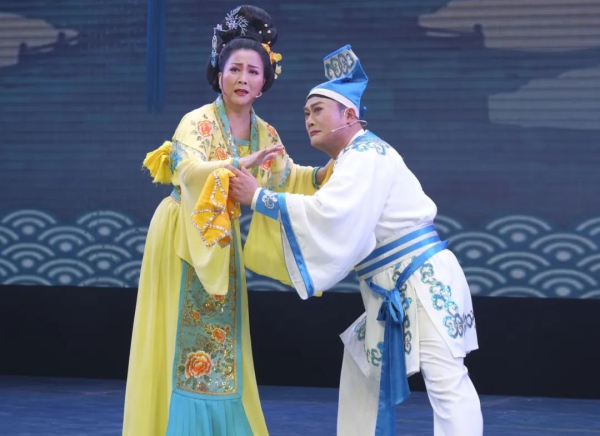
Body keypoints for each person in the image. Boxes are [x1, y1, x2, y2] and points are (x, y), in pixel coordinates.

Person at [228, 45, 483, 436]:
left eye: (317, 110)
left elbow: (330, 212)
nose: (309, 119)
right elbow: (318, 190)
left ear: (349, 115)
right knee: (362, 371)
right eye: (305, 113)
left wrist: (259, 197)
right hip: (390, 288)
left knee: (446, 380)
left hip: (421, 281)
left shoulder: (367, 154)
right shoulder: (348, 161)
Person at [122, 6, 328, 436]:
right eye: (234, 69)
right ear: (219, 75)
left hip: (222, 241)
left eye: (253, 71)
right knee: (178, 337)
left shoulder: (266, 134)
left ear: (264, 82)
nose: (243, 78)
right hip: (183, 234)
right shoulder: (196, 123)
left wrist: (325, 175)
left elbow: (287, 178)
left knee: (222, 342)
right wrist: (235, 163)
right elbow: (187, 172)